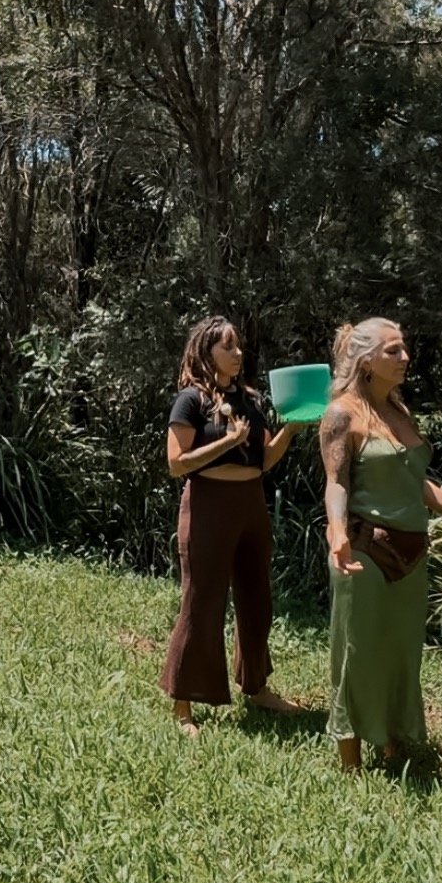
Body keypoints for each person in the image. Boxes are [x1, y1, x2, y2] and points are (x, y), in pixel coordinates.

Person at [319, 317, 442, 772]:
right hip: (364, 552)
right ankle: (350, 760)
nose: (405, 358)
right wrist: (338, 532)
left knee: (400, 652)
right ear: (366, 360)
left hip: (412, 553)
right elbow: (336, 483)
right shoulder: (341, 414)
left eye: (404, 349)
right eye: (393, 351)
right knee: (358, 652)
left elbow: (416, 482)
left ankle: (393, 745)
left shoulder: (400, 411)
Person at [161, 315, 300, 737]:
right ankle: (183, 704)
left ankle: (256, 686)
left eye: (239, 347)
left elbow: (265, 459)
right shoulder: (190, 401)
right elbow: (175, 463)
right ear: (207, 353)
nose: (238, 354)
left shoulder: (252, 400)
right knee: (202, 602)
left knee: (257, 598)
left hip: (251, 504)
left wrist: (294, 423)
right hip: (208, 505)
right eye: (228, 347)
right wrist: (225, 442)